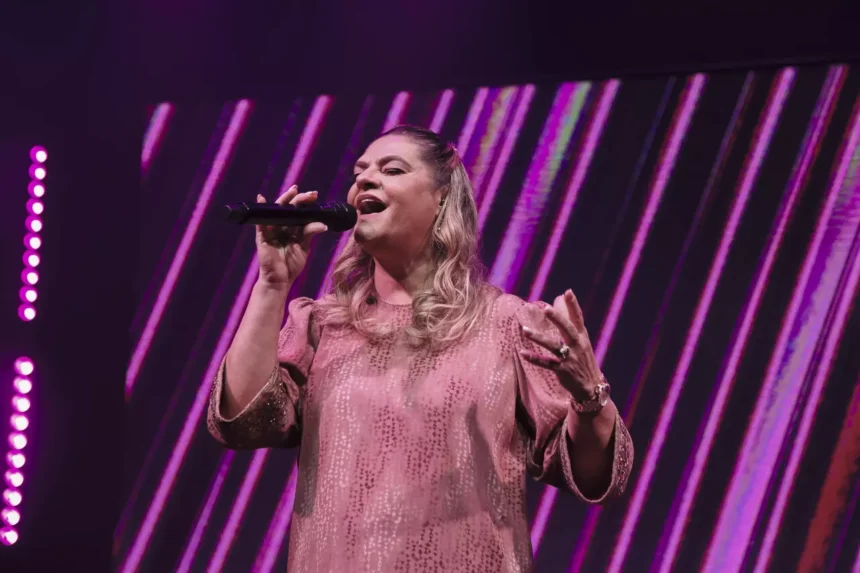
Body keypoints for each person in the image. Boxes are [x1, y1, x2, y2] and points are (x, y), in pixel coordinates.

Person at [207, 125, 633, 572]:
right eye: (359, 172)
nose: (364, 179)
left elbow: (594, 475)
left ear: (442, 197)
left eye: (392, 170)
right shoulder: (323, 325)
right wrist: (272, 284)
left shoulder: (507, 324)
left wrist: (589, 396)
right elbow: (243, 423)